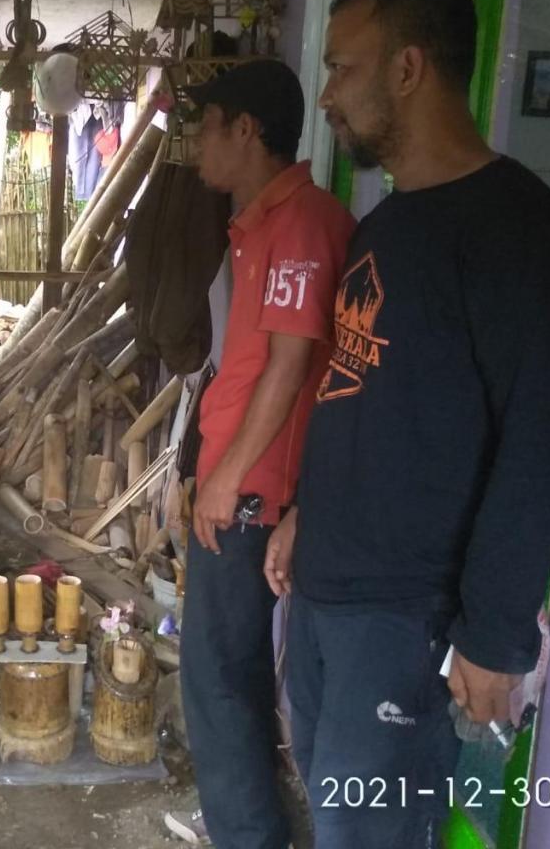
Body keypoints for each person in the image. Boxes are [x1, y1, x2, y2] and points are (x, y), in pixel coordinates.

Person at [264, 0, 550, 847]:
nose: (326, 95)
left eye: (342, 67)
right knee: (333, 820)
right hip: (328, 595)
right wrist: (305, 512)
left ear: (407, 68)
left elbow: (540, 449)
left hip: (406, 621)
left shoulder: (520, 234)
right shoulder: (387, 224)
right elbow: (362, 396)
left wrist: (492, 636)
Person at [165, 61, 355, 848]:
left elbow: (287, 367)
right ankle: (239, 821)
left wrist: (227, 479)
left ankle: (244, 833)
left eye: (205, 125)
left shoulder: (301, 223)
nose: (195, 142)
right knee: (230, 668)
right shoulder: (261, 223)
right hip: (245, 476)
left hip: (255, 489)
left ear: (244, 129)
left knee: (215, 672)